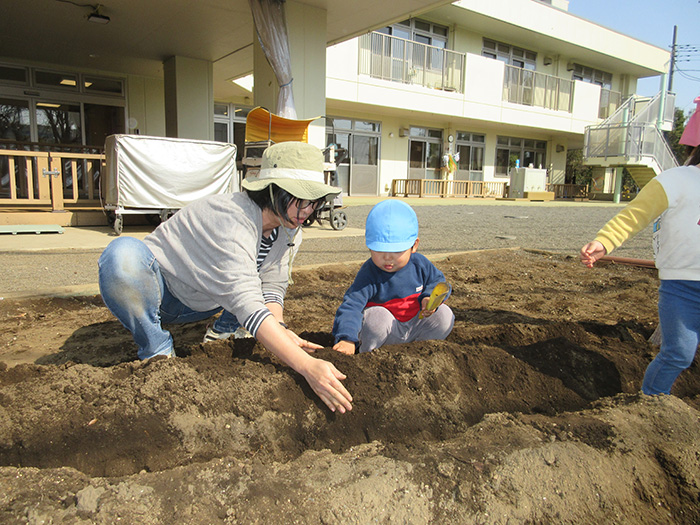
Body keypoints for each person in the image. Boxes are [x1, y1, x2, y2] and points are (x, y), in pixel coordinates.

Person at [98, 141, 353, 413]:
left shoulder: (289, 228)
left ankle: (223, 332)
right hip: (162, 292)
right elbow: (246, 302)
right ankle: (156, 348)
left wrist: (279, 326)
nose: (308, 210)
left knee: (248, 283)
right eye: (301, 199)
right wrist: (306, 365)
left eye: (314, 202)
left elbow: (272, 284)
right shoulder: (232, 220)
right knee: (122, 257)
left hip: (209, 299)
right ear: (273, 190)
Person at [579, 95, 700, 395]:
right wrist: (605, 241)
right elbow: (635, 215)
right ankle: (650, 403)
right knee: (679, 353)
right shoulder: (678, 180)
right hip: (682, 287)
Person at [332, 199, 455, 354]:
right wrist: (347, 339)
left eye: (397, 251)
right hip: (386, 335)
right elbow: (352, 305)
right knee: (378, 317)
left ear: (414, 245)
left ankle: (420, 352)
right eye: (379, 250)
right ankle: (368, 355)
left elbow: (438, 282)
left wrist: (429, 297)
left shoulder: (420, 264)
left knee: (444, 315)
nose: (388, 258)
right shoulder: (369, 273)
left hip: (415, 324)